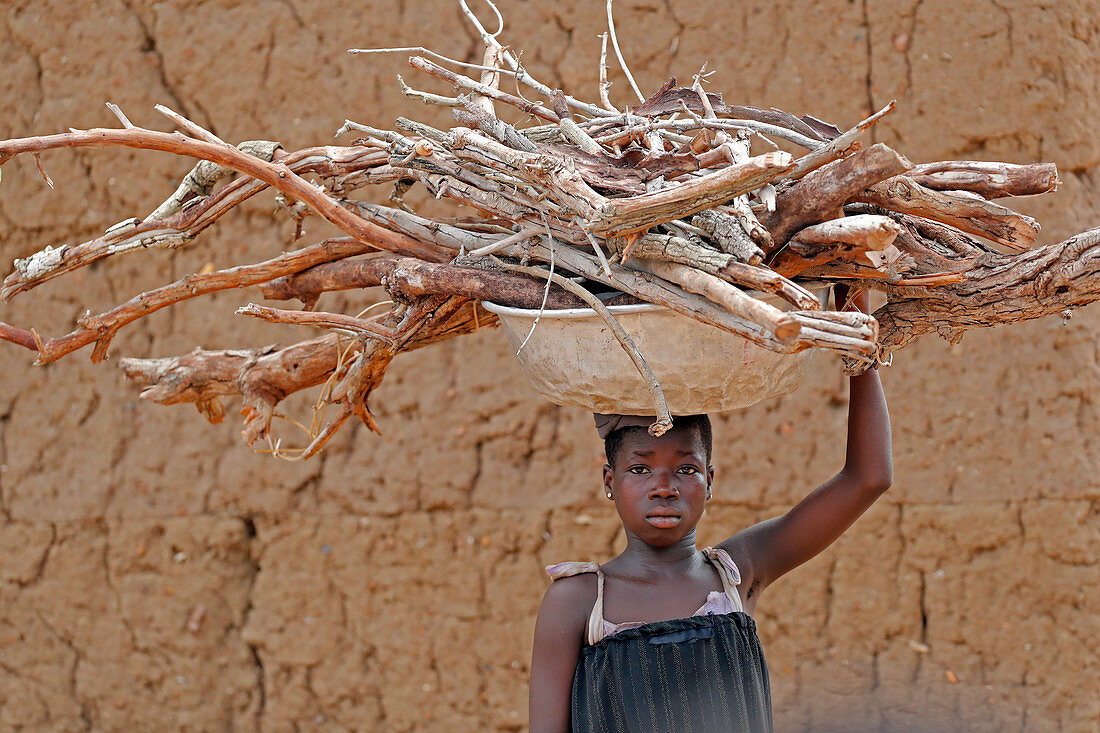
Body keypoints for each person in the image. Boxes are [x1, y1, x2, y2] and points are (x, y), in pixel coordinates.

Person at [528, 290, 892, 733]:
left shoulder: (738, 573)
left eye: (686, 468)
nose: (664, 488)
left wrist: (857, 333)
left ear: (710, 481)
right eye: (640, 468)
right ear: (610, 481)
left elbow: (868, 478)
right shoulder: (579, 602)